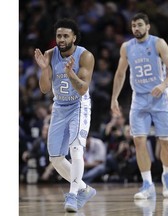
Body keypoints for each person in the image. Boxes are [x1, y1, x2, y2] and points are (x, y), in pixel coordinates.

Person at [111, 13, 168, 199]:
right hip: (139, 99)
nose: (136, 29)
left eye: (140, 25)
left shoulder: (159, 43)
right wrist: (114, 98)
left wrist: (163, 85)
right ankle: (147, 184)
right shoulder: (126, 47)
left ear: (147, 26)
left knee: (165, 142)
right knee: (139, 141)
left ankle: (167, 174)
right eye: (133, 26)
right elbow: (119, 74)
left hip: (160, 99)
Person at [34, 18, 96, 212]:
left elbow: (83, 89)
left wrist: (71, 74)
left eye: (65, 35)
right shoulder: (50, 55)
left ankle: (73, 194)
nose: (61, 39)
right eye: (58, 35)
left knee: (76, 149)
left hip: (79, 105)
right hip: (59, 106)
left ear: (74, 37)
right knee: (55, 158)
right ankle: (84, 188)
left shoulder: (85, 56)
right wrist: (44, 69)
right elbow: (44, 89)